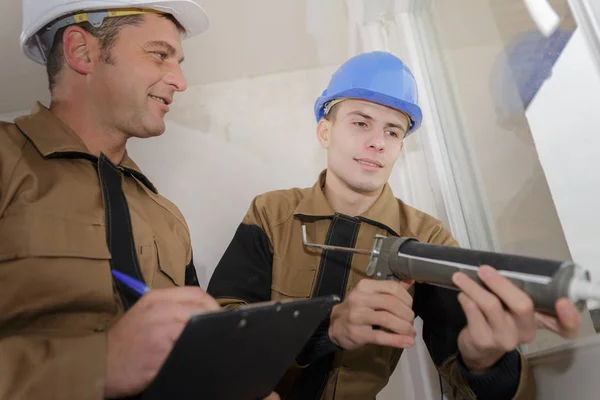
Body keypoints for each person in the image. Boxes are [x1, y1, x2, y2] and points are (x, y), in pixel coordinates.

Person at [207, 51, 583, 399]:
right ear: (325, 131)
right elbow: (217, 332)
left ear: (402, 146)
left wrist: (486, 364)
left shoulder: (425, 238)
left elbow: (467, 378)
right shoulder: (271, 213)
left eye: (392, 131)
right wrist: (328, 325)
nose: (377, 142)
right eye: (360, 123)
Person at [0, 1, 279, 399]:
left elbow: (187, 357)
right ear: (82, 51)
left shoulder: (167, 218)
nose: (180, 81)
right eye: (160, 54)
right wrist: (97, 364)